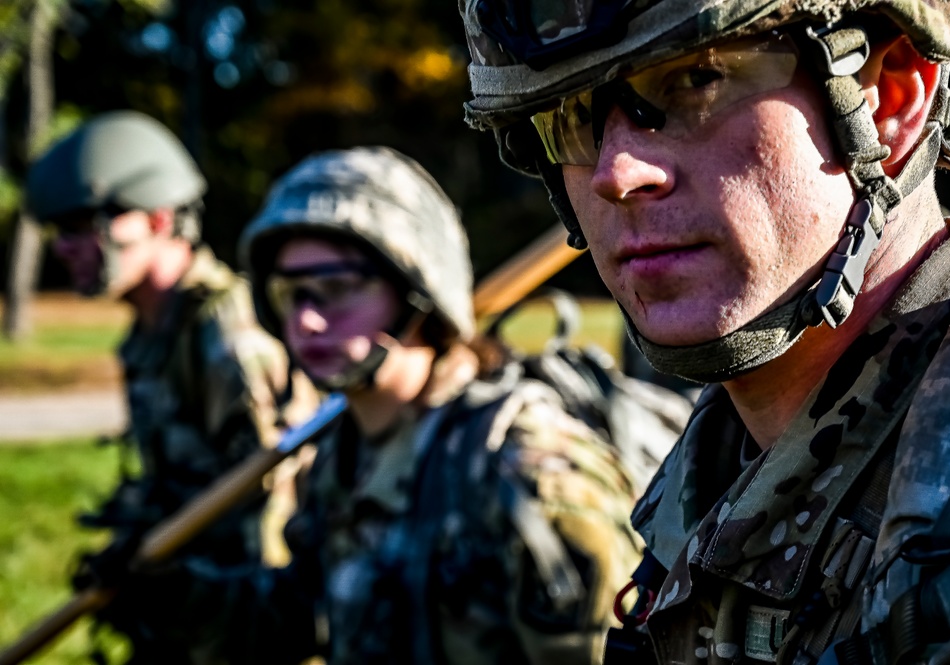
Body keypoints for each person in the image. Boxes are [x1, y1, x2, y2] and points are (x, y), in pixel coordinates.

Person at [457, 1, 950, 663]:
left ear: (886, 101)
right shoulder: (699, 493)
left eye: (694, 82)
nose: (615, 173)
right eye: (569, 117)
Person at [115, 146, 644, 665]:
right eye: (291, 294)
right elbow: (296, 620)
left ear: (418, 292)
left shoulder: (526, 473)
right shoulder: (341, 453)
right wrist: (174, 593)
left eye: (337, 288)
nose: (307, 322)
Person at [25, 110, 316, 663]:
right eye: (60, 231)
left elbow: (271, 507)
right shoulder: (153, 331)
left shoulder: (226, 332)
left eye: (83, 225)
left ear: (159, 220)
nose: (65, 247)